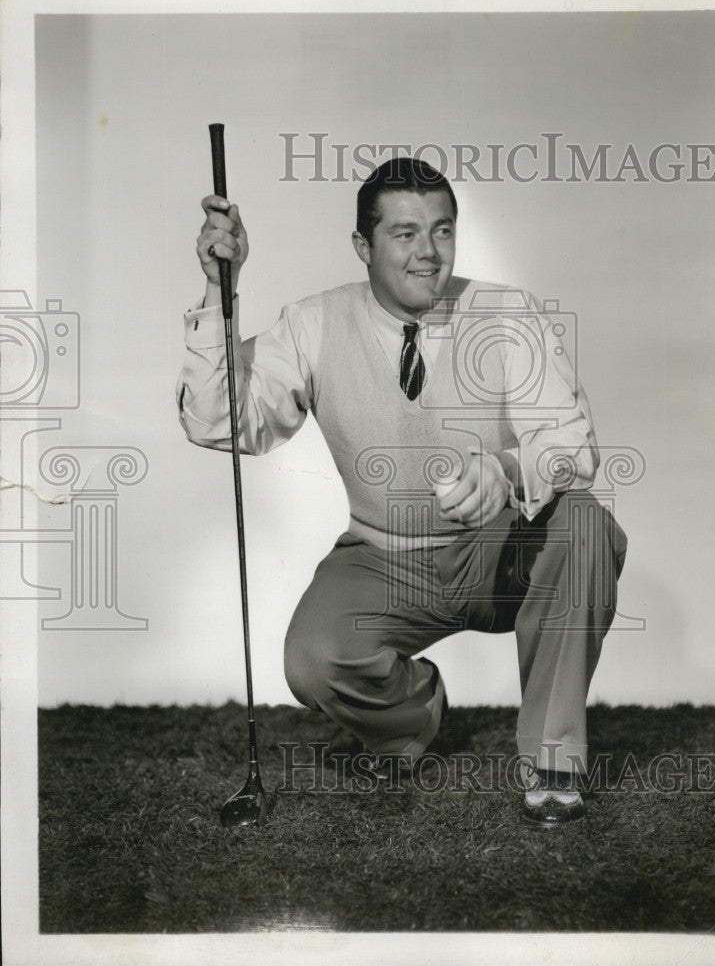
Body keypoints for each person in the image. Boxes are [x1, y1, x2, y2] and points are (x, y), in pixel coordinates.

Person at [176, 158, 627, 827]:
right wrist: (221, 291)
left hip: (498, 554)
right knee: (312, 659)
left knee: (586, 522)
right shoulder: (311, 322)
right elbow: (219, 422)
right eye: (405, 234)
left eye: (442, 232)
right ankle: (409, 720)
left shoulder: (507, 312)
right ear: (364, 246)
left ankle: (554, 758)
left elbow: (573, 447)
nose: (428, 253)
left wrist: (506, 470)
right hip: (382, 558)